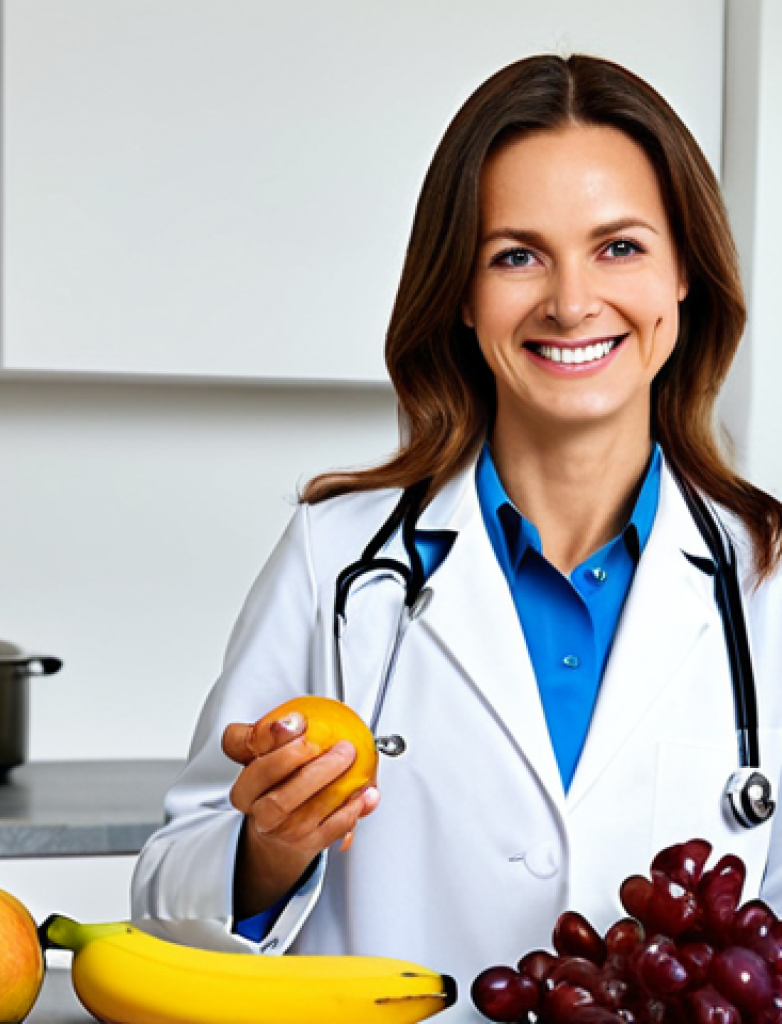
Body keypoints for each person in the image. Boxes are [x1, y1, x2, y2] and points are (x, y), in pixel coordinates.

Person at [130, 53, 782, 1010]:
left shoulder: (762, 572)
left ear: (684, 274)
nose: (570, 302)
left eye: (620, 247)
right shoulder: (338, 560)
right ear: (464, 297)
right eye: (516, 255)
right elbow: (162, 900)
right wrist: (264, 851)